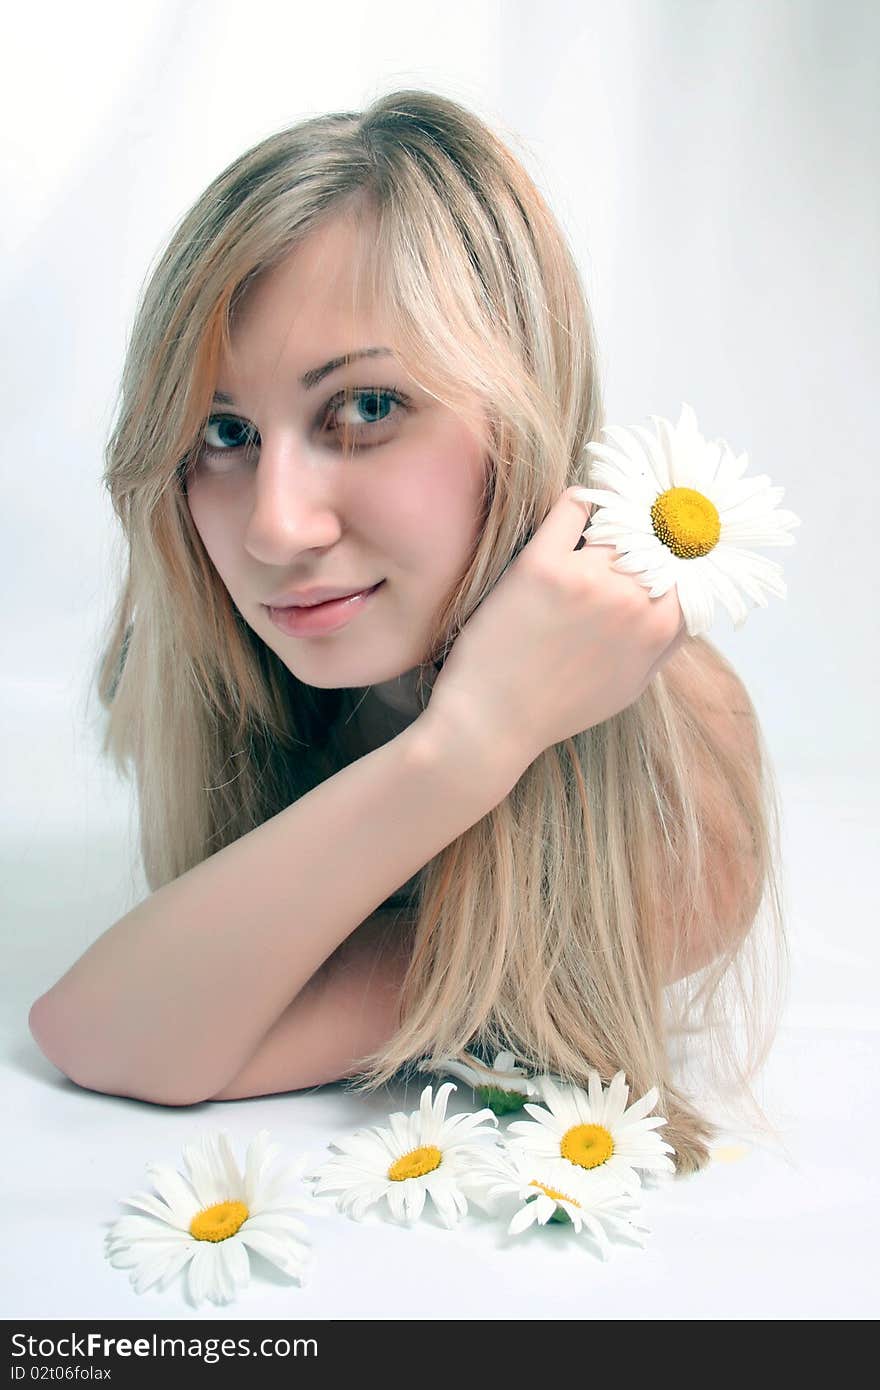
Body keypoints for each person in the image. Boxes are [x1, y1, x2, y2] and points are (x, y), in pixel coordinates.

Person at [28, 89, 786, 1174]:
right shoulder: (196, 649)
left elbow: (115, 1038)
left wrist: (470, 744)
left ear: (522, 411)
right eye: (223, 431)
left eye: (367, 407)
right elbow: (96, 1030)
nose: (276, 529)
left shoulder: (674, 805)